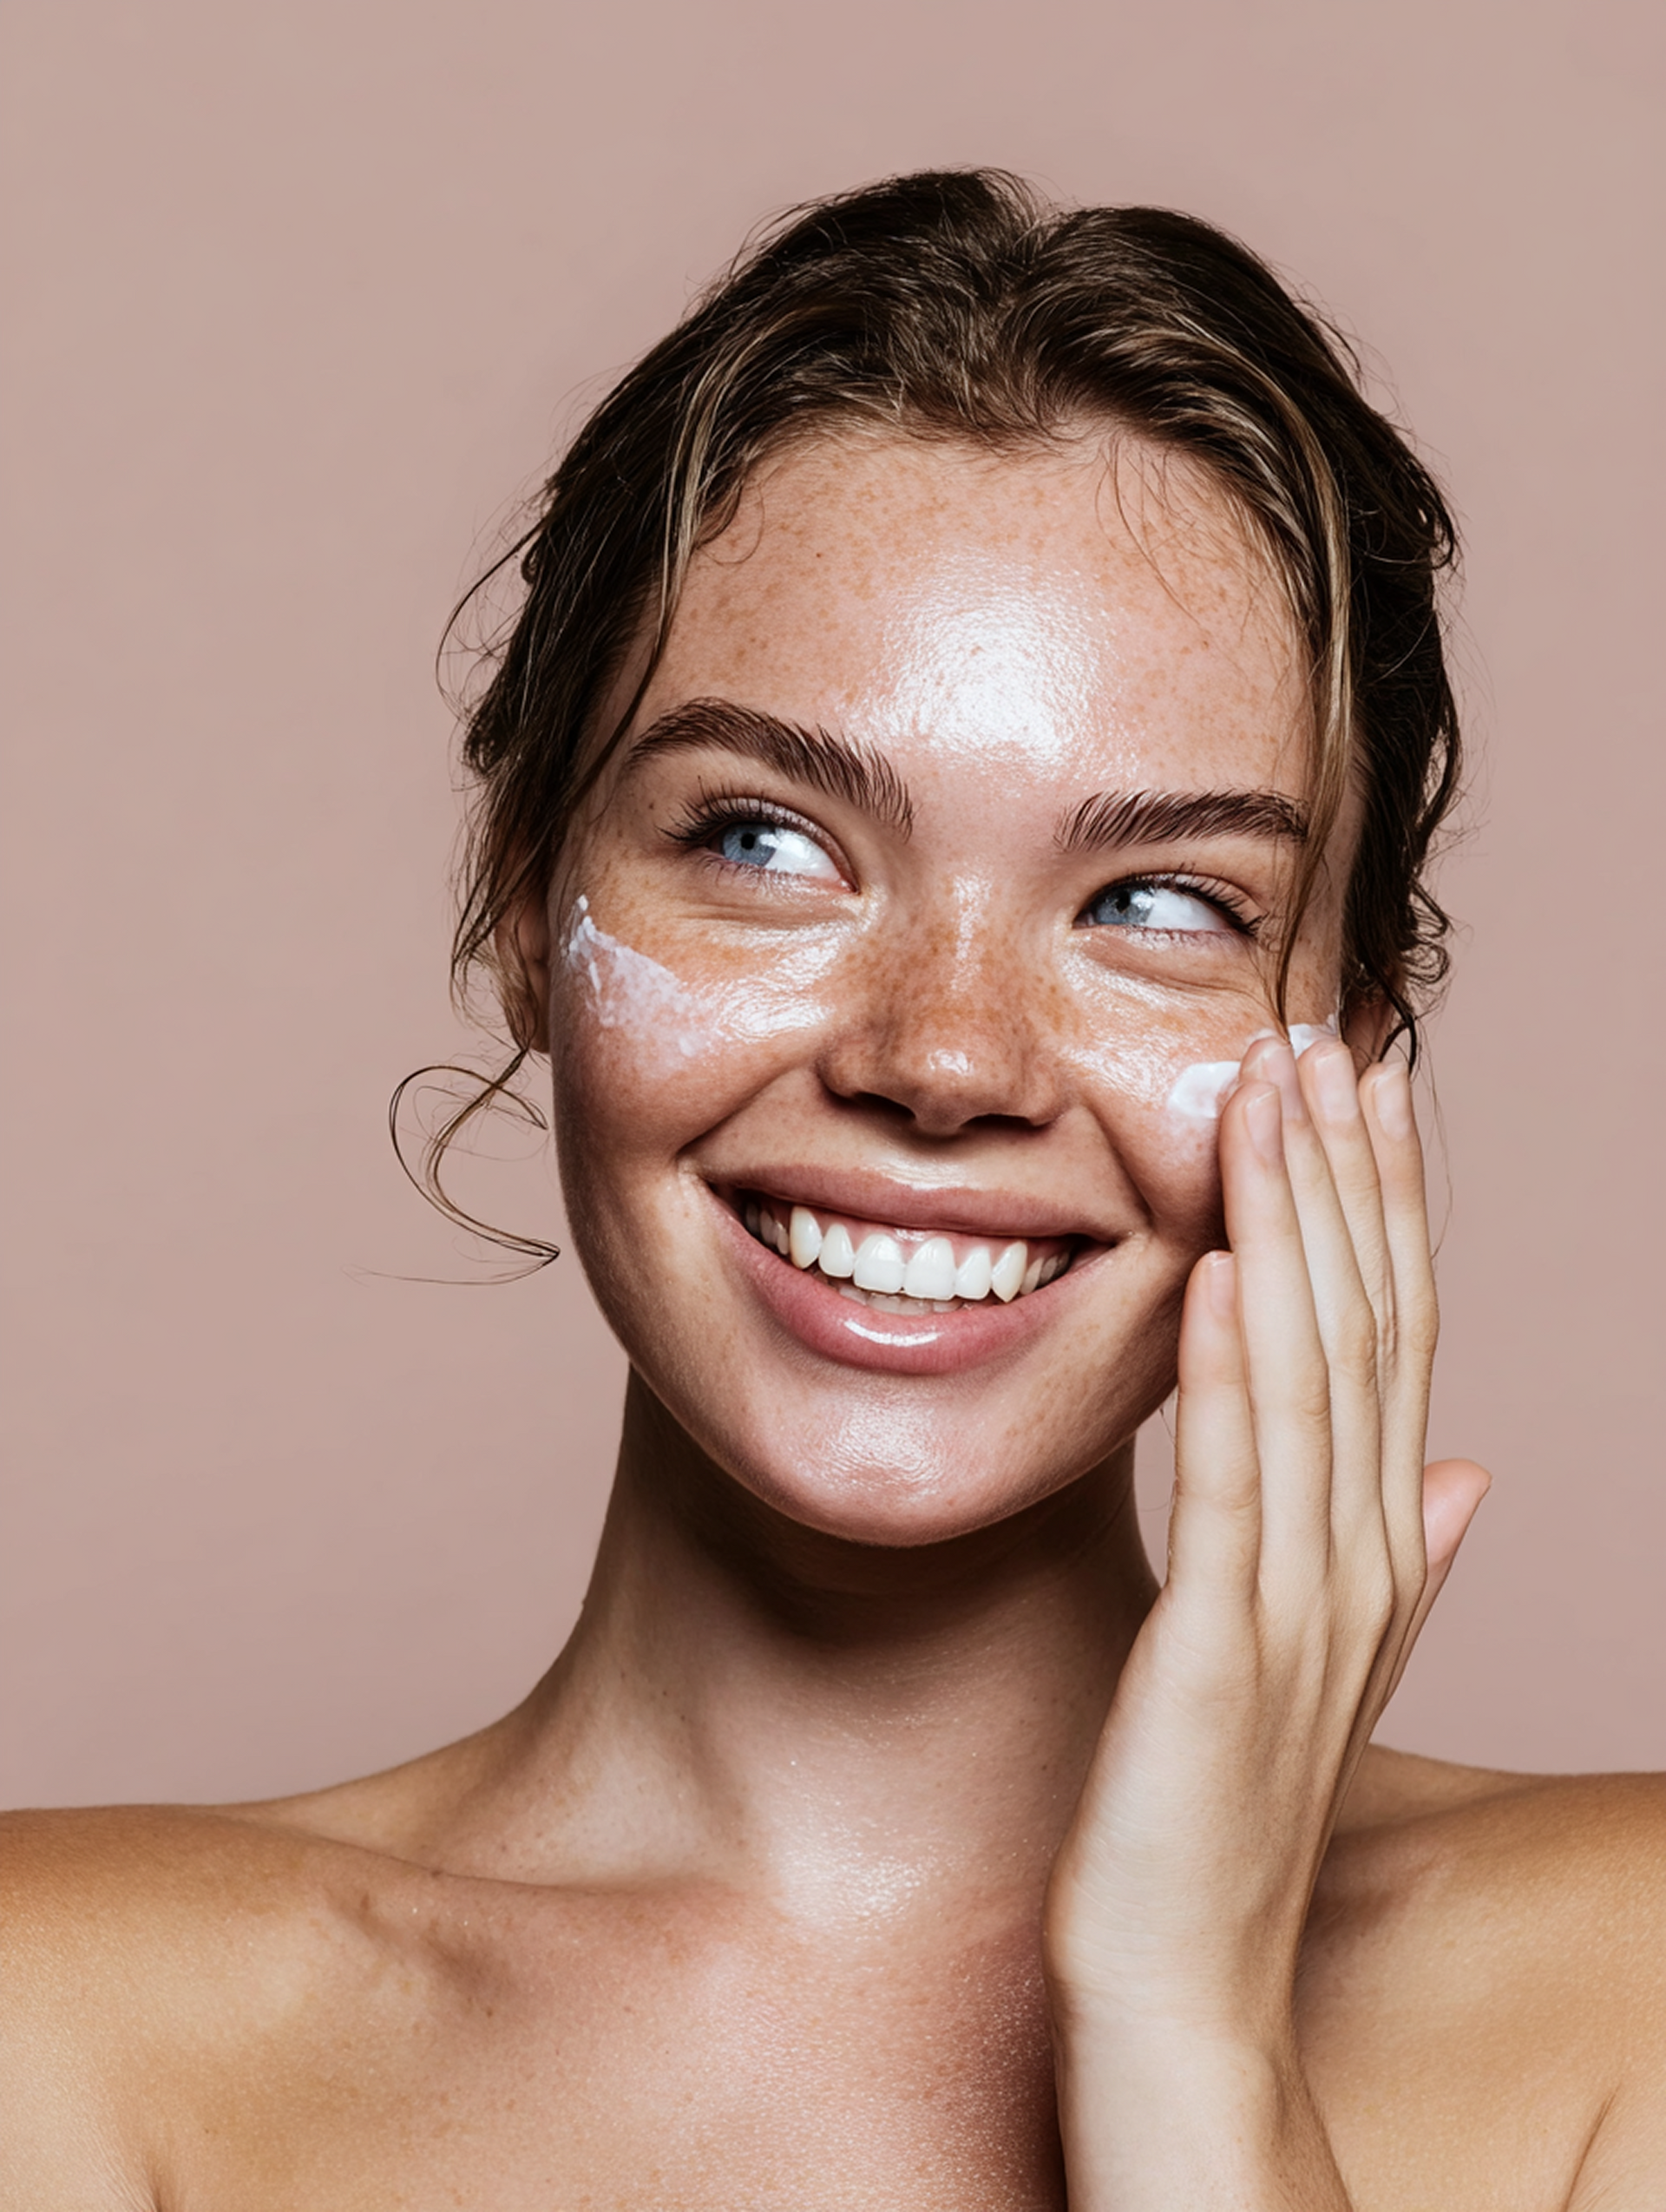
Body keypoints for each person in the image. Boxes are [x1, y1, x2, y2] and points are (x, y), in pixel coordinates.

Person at [3, 167, 1663, 2209]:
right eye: (768, 843)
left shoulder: (1629, 2000)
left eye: (1158, 899)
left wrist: (1185, 2024)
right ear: (528, 898)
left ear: (1358, 1032)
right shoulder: (59, 2035)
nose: (943, 1055)